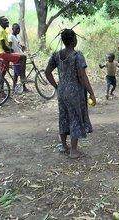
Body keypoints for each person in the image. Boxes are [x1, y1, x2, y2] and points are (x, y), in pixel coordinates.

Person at [44, 29, 96, 159]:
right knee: (75, 118)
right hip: (75, 92)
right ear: (73, 40)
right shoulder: (77, 56)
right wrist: (91, 93)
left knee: (64, 116)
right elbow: (82, 76)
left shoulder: (56, 55)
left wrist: (57, 86)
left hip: (61, 90)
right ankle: (73, 150)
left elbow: (47, 72)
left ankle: (64, 145)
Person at [0, 16, 28, 90]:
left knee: (3, 72)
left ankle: (2, 91)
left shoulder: (4, 31)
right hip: (3, 53)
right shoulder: (1, 31)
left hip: (2, 53)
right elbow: (4, 46)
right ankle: (22, 77)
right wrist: (11, 49)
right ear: (0, 23)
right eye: (5, 21)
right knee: (23, 57)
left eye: (7, 20)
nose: (7, 21)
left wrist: (10, 49)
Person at [8, 23, 28, 91]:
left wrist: (23, 47)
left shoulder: (17, 36)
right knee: (20, 73)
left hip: (19, 56)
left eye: (19, 28)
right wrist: (13, 54)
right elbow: (10, 46)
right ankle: (16, 87)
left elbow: (20, 46)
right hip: (16, 57)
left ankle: (18, 87)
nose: (18, 30)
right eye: (16, 28)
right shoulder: (10, 36)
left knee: (19, 73)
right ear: (12, 29)